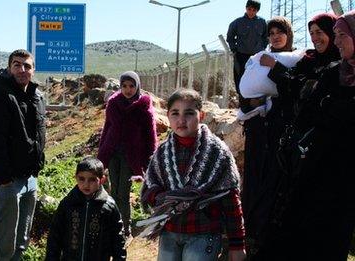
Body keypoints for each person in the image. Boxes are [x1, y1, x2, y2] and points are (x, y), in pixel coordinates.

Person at [257, 11, 355, 261]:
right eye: (336, 35)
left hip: (345, 177)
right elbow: (306, 105)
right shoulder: (334, 72)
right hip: (313, 164)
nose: (338, 40)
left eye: (342, 35)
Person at [141, 89, 246, 261]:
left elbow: (231, 199)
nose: (181, 120)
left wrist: (237, 244)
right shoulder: (162, 153)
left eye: (189, 113)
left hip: (204, 234)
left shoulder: (218, 154)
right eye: (175, 113)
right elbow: (150, 188)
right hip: (170, 232)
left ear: (202, 115)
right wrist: (166, 198)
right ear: (168, 116)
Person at [0, 49, 46, 260]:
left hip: (30, 178)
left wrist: (37, 166)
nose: (22, 69)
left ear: (33, 70)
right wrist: (4, 176)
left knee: (21, 242)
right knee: (3, 244)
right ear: (9, 68)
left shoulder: (37, 96)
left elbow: (39, 134)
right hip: (6, 181)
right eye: (17, 65)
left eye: (27, 66)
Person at [239, 17, 295, 253]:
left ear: (288, 34)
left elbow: (294, 90)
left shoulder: (297, 60)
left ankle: (267, 237)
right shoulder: (256, 61)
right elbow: (244, 93)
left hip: (281, 133)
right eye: (271, 33)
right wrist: (253, 101)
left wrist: (275, 67)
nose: (275, 37)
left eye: (280, 32)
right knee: (253, 178)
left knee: (274, 180)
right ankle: (249, 234)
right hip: (258, 130)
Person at [97, 71, 158, 239]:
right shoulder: (114, 104)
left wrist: (152, 158)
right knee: (113, 191)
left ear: (137, 86)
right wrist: (101, 155)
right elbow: (107, 129)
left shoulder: (143, 106)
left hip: (131, 156)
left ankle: (125, 228)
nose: (128, 89)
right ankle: (115, 225)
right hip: (112, 152)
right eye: (124, 86)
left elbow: (150, 134)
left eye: (131, 86)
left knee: (123, 192)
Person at [45, 157, 126, 261]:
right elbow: (55, 236)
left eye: (92, 179)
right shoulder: (67, 204)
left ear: (102, 180)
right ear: (75, 177)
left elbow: (118, 240)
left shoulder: (109, 206)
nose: (86, 184)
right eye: (81, 179)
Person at [227, 0, 267, 97]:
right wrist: (234, 49)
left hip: (257, 57)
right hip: (241, 55)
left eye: (254, 10)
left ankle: (255, 100)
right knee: (240, 78)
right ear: (246, 8)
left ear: (257, 11)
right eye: (249, 9)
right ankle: (242, 99)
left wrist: (262, 48)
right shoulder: (237, 22)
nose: (251, 12)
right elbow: (230, 37)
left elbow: (266, 37)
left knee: (257, 78)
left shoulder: (262, 22)